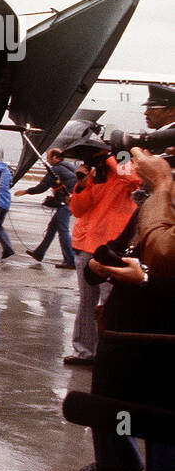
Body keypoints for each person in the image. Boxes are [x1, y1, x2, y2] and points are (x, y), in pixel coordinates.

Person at [74, 148, 175, 471]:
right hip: (122, 321)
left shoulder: (162, 198)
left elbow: (162, 258)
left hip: (166, 327)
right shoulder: (151, 203)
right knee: (109, 401)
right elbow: (119, 246)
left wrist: (146, 278)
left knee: (164, 412)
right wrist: (99, 266)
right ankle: (116, 457)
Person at [64, 141, 142, 365]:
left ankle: (108, 352)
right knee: (86, 302)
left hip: (110, 247)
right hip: (86, 245)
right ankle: (84, 352)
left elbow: (135, 180)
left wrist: (109, 158)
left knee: (109, 301)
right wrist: (80, 184)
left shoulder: (123, 159)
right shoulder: (93, 174)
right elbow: (78, 209)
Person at [16, 147, 77, 268]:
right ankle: (39, 253)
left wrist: (26, 191)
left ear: (55, 158)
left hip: (65, 203)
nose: (47, 160)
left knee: (63, 231)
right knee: (52, 228)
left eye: (49, 157)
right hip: (72, 201)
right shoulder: (70, 167)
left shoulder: (56, 169)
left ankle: (70, 260)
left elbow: (42, 186)